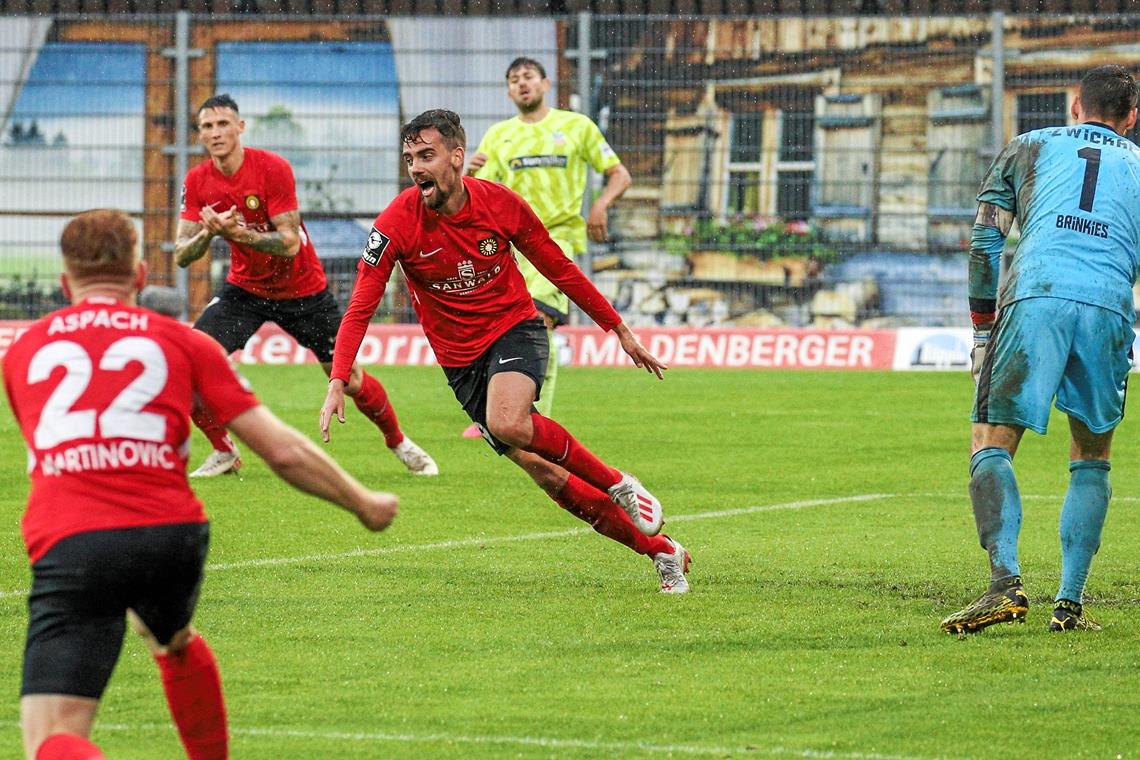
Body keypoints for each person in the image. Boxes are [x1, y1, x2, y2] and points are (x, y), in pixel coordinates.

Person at [3, 209, 399, 760]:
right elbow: (280, 449)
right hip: (172, 535)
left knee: (52, 738)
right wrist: (363, 502)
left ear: (65, 283)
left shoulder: (23, 350)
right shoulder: (185, 343)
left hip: (75, 539)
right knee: (170, 638)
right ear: (140, 275)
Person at [321, 109, 691, 593]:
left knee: (509, 420)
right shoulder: (394, 223)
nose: (415, 167)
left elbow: (559, 268)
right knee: (548, 477)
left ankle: (620, 483)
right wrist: (336, 379)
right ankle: (662, 552)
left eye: (426, 155)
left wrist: (617, 328)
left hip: (515, 328)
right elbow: (361, 305)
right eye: (409, 157)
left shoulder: (501, 205)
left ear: (458, 157)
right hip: (460, 363)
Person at [940, 65, 1140, 635]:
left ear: (1075, 104)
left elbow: (985, 241)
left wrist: (982, 329)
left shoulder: (1027, 146)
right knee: (1092, 454)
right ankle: (1069, 605)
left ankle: (1005, 586)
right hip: (1107, 306)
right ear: (1131, 118)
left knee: (992, 440)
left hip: (1037, 294)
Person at [175, 93, 437, 478]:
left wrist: (239, 234)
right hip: (245, 289)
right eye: (207, 127)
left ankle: (399, 442)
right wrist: (209, 234)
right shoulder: (198, 180)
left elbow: (289, 243)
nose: (216, 133)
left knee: (350, 381)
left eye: (223, 124)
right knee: (191, 365)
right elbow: (182, 253)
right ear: (200, 135)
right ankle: (224, 450)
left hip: (303, 292)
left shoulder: (272, 169)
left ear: (240, 127)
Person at [463, 56, 631, 433]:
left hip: (556, 240)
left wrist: (601, 204)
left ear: (545, 83)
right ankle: (498, 412)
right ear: (508, 90)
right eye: (514, 79)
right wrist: (468, 176)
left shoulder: (575, 127)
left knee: (540, 322)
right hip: (509, 246)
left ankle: (532, 418)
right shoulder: (499, 135)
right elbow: (479, 195)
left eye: (528, 77)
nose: (522, 84)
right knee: (501, 327)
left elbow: (619, 174)